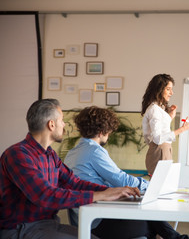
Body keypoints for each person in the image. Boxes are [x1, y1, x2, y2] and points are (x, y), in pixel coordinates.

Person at [0, 99, 140, 239]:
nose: (64, 124)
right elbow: (45, 195)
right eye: (61, 120)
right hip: (20, 229)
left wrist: (108, 191)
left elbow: (74, 183)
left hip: (48, 224)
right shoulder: (17, 154)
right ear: (51, 124)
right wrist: (100, 195)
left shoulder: (50, 155)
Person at [64, 106, 189, 239]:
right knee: (148, 220)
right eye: (109, 131)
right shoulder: (94, 151)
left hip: (83, 218)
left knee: (149, 220)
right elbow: (120, 179)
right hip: (96, 220)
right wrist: (151, 186)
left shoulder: (73, 152)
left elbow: (111, 179)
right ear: (102, 132)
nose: (109, 134)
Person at [141, 73, 189, 175]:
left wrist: (169, 116)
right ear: (159, 90)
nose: (171, 93)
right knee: (160, 187)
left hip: (163, 149)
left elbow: (161, 131)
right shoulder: (154, 110)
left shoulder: (158, 109)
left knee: (164, 186)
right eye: (168, 89)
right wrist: (182, 129)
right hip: (160, 150)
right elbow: (157, 138)